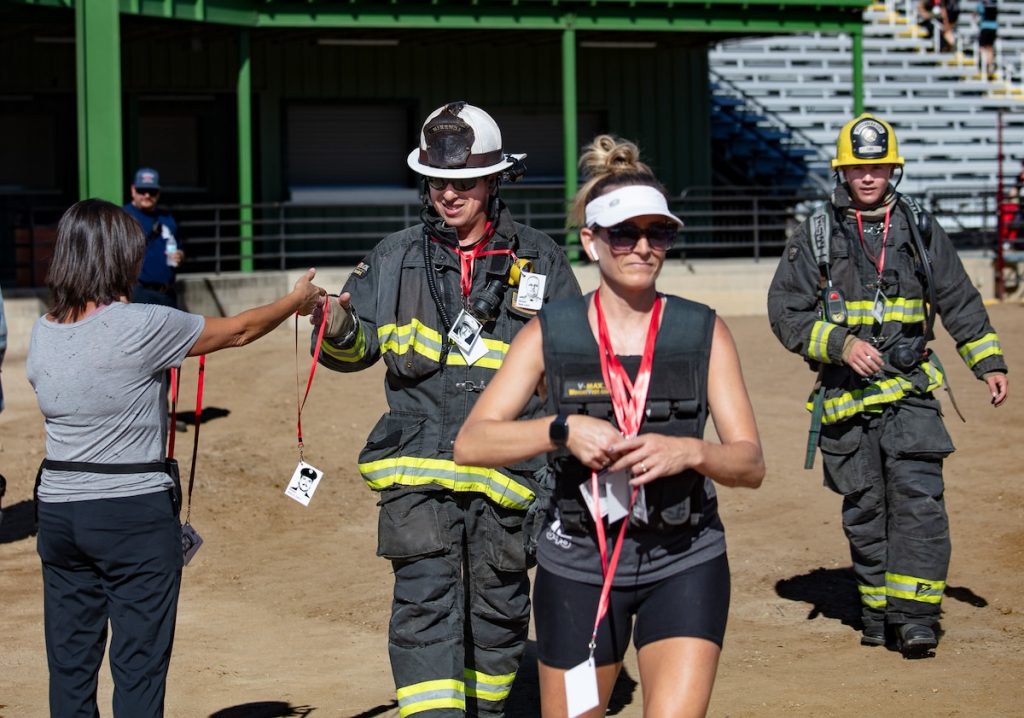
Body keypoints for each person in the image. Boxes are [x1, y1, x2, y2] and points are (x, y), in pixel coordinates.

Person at [454, 135, 765, 717]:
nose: (643, 248)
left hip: (685, 557)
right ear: (592, 242)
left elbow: (750, 464)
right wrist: (560, 430)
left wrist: (691, 452)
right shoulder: (551, 331)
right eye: (625, 233)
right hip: (578, 565)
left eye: (659, 233)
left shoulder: (704, 331)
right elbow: (471, 443)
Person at [311, 101, 580, 716]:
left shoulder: (540, 259)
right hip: (417, 476)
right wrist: (333, 324)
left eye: (463, 182)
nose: (449, 194)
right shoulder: (394, 256)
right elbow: (354, 352)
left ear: (495, 180)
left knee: (499, 612)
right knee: (423, 609)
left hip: (507, 480)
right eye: (437, 182)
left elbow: (573, 368)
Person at [27, 199, 324, 717]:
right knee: (138, 666)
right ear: (119, 257)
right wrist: (295, 300)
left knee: (70, 665)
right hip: (131, 513)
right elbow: (240, 330)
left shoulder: (43, 331)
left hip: (57, 509)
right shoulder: (142, 324)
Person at [767, 113, 1008, 658]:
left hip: (910, 393)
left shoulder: (919, 228)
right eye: (857, 168)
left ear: (892, 168)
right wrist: (841, 344)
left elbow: (960, 298)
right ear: (843, 172)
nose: (868, 177)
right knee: (866, 511)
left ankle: (917, 618)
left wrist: (988, 362)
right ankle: (878, 613)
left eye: (877, 167)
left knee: (920, 504)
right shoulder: (817, 235)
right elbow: (785, 312)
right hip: (845, 402)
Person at [123, 167, 184, 308]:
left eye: (152, 191)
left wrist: (180, 255)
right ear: (133, 190)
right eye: (141, 190)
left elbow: (180, 247)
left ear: (158, 193)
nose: (146, 195)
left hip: (167, 293)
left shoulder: (167, 217)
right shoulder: (123, 216)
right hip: (138, 293)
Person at [977, 0, 999, 78]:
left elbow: (979, 10)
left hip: (985, 26)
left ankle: (985, 63)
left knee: (982, 47)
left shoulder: (983, 3)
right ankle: (990, 64)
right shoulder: (994, 2)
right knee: (990, 47)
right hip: (994, 27)